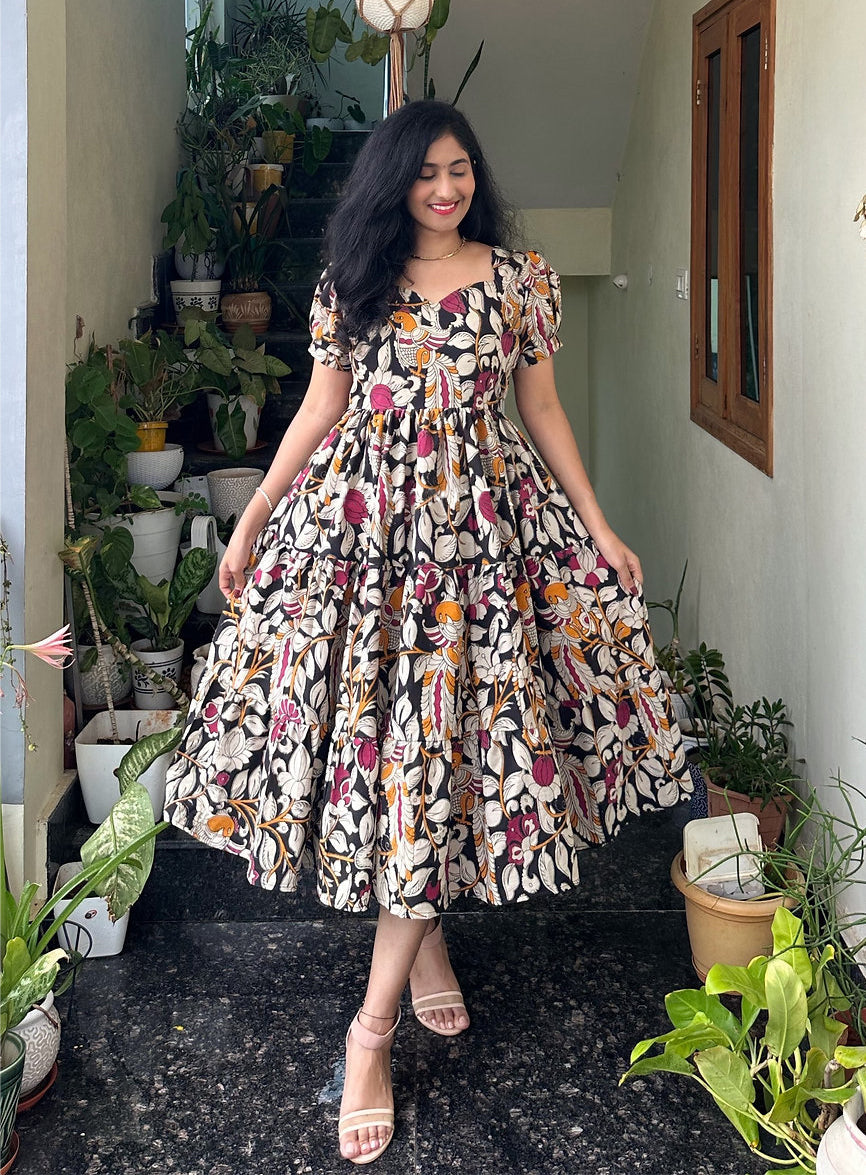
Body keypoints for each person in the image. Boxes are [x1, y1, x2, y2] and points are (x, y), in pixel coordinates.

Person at [162, 98, 693, 1165]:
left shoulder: (521, 279)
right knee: (397, 755)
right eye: (425, 173)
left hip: (482, 546)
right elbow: (319, 411)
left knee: (446, 748)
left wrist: (598, 526)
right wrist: (253, 516)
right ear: (392, 182)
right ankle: (420, 946)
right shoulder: (351, 281)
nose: (445, 189)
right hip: (364, 543)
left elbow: (542, 410)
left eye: (459, 170)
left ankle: (369, 1028)